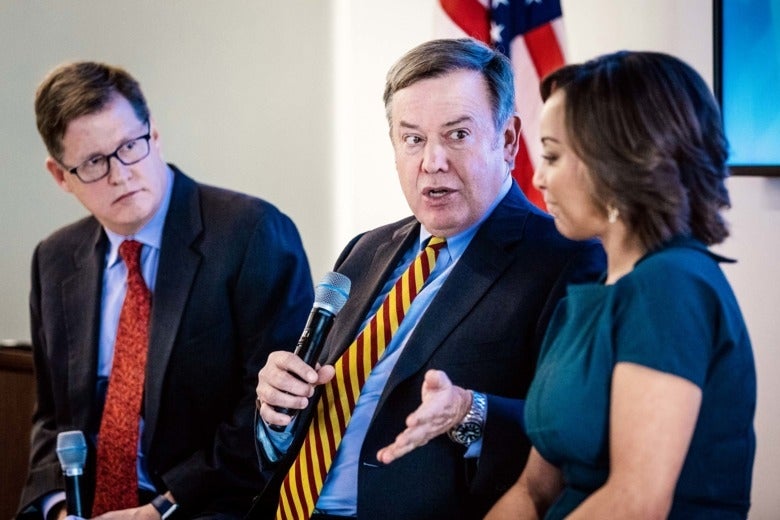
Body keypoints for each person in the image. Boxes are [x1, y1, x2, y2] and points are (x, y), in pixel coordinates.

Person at [250, 38, 605, 520]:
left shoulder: (566, 257)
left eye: (457, 135)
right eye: (413, 138)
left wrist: (468, 411)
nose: (431, 161)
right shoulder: (365, 249)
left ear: (507, 140)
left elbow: (575, 433)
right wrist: (277, 413)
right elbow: (299, 433)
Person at [17, 61, 315, 519]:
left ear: (154, 135)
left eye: (129, 147)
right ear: (61, 176)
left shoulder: (251, 233)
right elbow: (52, 420)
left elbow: (272, 413)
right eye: (94, 163)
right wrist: (58, 509)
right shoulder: (55, 260)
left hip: (206, 505)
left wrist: (160, 509)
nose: (120, 175)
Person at [486, 51, 756, 519]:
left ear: (615, 163)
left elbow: (636, 502)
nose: (537, 176)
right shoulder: (585, 300)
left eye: (551, 155)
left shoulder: (670, 286)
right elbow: (533, 491)